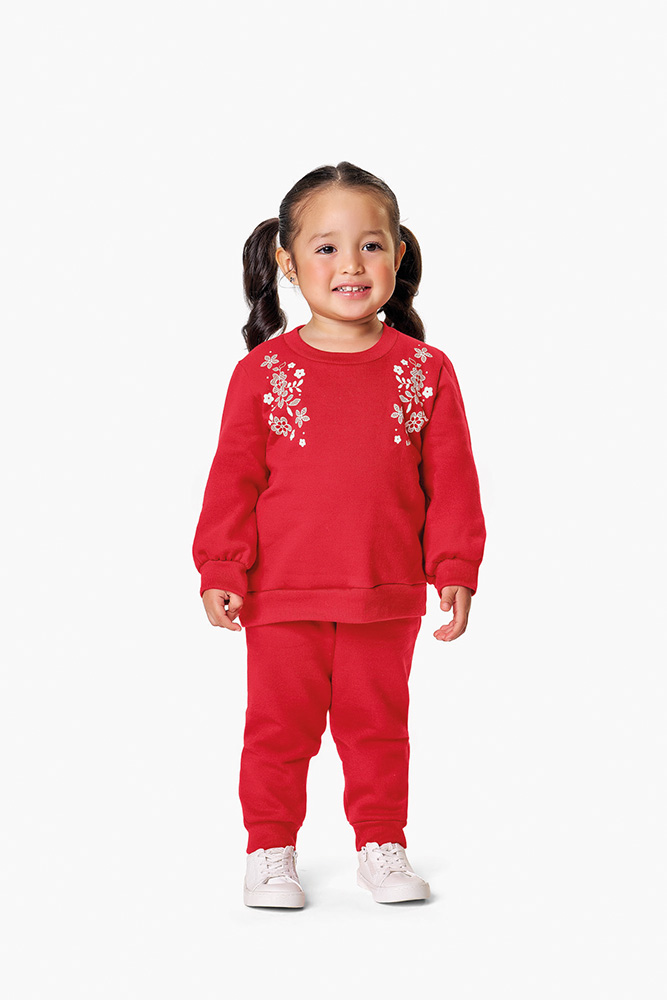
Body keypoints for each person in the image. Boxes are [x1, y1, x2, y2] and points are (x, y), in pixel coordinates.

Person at [192, 161, 486, 908]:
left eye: (371, 245)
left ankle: (380, 843)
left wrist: (456, 566)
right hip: (279, 595)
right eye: (326, 248)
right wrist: (221, 566)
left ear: (399, 254)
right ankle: (269, 849)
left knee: (378, 729)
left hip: (385, 594)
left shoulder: (426, 371)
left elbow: (452, 481)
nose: (351, 265)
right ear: (287, 262)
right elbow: (233, 479)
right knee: (277, 731)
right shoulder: (263, 372)